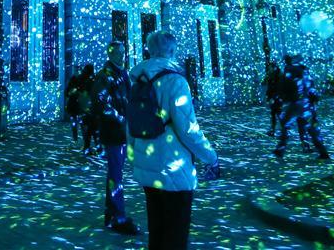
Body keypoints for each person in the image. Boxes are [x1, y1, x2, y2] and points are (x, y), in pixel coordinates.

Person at [128, 31, 219, 249]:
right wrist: (211, 156)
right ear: (172, 51)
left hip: (146, 165)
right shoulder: (176, 81)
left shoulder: (138, 81)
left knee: (157, 229)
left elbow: (130, 125)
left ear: (150, 50)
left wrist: (133, 157)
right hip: (173, 167)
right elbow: (188, 129)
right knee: (175, 234)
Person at [90, 41, 138, 235]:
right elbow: (99, 101)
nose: (121, 55)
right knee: (116, 175)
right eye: (117, 52)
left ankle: (112, 214)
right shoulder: (106, 75)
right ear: (110, 54)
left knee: (115, 174)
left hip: (122, 132)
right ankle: (118, 216)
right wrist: (120, 118)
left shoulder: (122, 73)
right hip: (114, 132)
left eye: (123, 52)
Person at [274, 54, 330, 160]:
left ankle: (280, 149)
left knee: (286, 125)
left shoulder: (288, 71)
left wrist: (280, 99)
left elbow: (283, 87)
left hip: (296, 104)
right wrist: (314, 99)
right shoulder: (304, 71)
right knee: (312, 128)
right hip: (306, 104)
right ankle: (323, 152)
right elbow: (311, 87)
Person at [65, 64, 94, 145]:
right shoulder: (90, 80)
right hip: (80, 105)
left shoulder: (75, 78)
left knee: (76, 122)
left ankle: (76, 139)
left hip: (74, 103)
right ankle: (84, 143)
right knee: (82, 124)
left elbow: (67, 92)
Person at [263, 63, 283, 137]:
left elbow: (277, 88)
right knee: (274, 114)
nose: (269, 69)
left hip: (277, 99)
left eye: (270, 68)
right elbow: (270, 87)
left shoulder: (278, 77)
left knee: (278, 114)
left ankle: (282, 131)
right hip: (274, 99)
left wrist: (273, 98)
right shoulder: (272, 76)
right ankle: (274, 130)